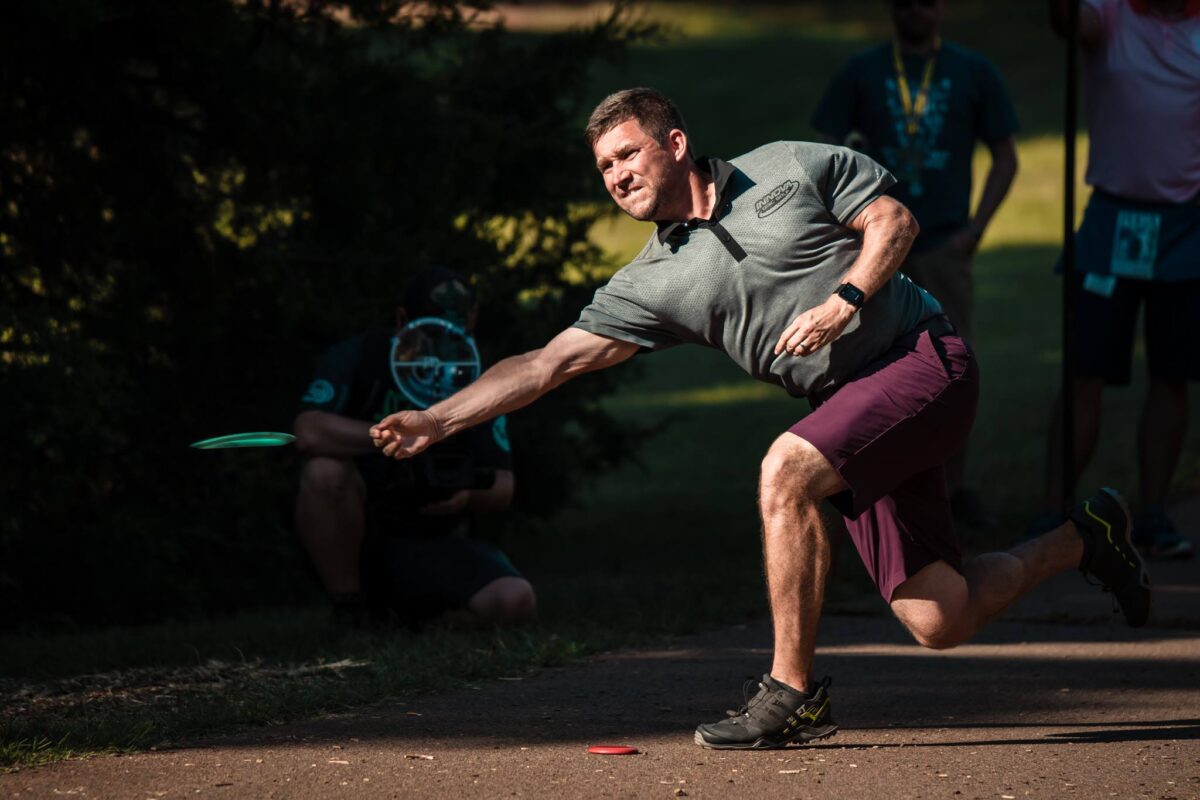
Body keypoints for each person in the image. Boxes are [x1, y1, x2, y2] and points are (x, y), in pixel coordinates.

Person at [370, 89, 1149, 749]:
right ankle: (1086, 536)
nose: (615, 175)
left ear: (674, 144)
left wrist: (845, 302)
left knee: (786, 469)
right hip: (848, 410)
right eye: (604, 166)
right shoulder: (654, 281)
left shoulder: (786, 166)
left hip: (922, 359)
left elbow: (896, 224)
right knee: (939, 616)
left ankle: (792, 693)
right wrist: (438, 420)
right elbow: (546, 364)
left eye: (628, 155)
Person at [811, 0, 1020, 530]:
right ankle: (883, 491)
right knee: (872, 363)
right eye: (906, 3)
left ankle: (953, 488)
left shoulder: (973, 71)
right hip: (876, 248)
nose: (917, 12)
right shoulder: (863, 71)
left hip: (946, 244)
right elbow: (823, 148)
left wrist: (976, 230)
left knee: (953, 363)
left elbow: (1006, 155)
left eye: (926, 2)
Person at [1034, 0, 1199, 559]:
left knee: (1172, 374)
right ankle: (1054, 510)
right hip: (1114, 219)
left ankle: (1153, 514)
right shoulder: (1109, 12)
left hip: (1186, 225)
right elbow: (1065, 21)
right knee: (1087, 370)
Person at [294, 266, 537, 628]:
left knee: (515, 601)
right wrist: (392, 437)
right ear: (402, 319)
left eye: (456, 333)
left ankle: (420, 618)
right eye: (430, 331)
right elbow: (309, 431)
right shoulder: (361, 357)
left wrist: (464, 496)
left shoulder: (475, 375)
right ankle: (350, 611)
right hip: (361, 535)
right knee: (324, 472)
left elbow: (503, 486)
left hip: (432, 541)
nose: (442, 348)